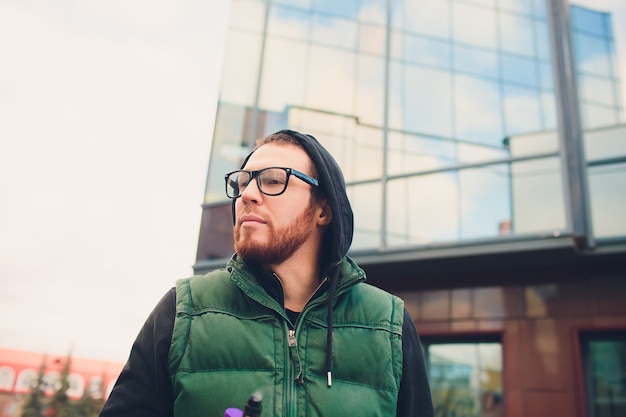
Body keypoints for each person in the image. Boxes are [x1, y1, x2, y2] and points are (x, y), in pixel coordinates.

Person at [99, 129, 434, 417]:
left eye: (273, 180)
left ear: (324, 210)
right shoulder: (183, 311)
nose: (247, 195)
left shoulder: (388, 325)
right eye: (242, 182)